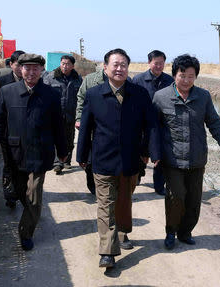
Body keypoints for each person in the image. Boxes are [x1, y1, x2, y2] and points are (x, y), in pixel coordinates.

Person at [77, 48, 160, 268]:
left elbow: (150, 126)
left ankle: (122, 233)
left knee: (124, 202)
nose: (119, 68)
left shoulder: (139, 94)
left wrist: (151, 153)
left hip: (131, 160)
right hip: (102, 159)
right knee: (105, 204)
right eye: (115, 64)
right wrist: (82, 155)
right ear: (105, 68)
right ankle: (107, 252)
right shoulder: (94, 95)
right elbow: (85, 129)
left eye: (123, 64)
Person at [0, 53, 67, 251]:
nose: (31, 72)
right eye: (27, 68)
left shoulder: (51, 94)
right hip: (15, 153)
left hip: (41, 152)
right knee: (21, 190)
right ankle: (29, 214)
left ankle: (26, 232)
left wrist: (63, 150)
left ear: (41, 70)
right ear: (19, 70)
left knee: (34, 196)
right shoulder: (6, 92)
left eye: (35, 68)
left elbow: (59, 125)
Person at [152, 54, 220, 250]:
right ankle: (171, 231)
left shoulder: (203, 97)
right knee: (176, 196)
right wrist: (153, 154)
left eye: (191, 76)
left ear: (195, 76)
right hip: (172, 159)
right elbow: (152, 128)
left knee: (194, 199)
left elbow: (214, 123)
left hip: (197, 159)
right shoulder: (161, 97)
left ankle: (185, 231)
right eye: (182, 76)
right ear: (174, 75)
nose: (186, 80)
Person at [132, 50, 173, 195]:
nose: (159, 66)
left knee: (160, 155)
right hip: (142, 125)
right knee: (140, 153)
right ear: (149, 63)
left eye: (161, 63)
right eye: (156, 63)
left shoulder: (170, 81)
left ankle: (159, 186)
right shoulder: (138, 80)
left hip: (161, 124)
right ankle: (137, 174)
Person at [0, 50, 26, 209]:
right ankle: (10, 195)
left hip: (26, 133)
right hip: (8, 132)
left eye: (24, 65)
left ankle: (22, 191)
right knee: (9, 164)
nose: (22, 69)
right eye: (18, 65)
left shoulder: (33, 81)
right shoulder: (3, 81)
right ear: (11, 65)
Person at [43, 55, 82, 174]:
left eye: (68, 64)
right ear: (60, 64)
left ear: (72, 66)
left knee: (69, 140)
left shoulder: (77, 79)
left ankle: (66, 161)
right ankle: (57, 162)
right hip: (55, 114)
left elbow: (82, 97)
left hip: (70, 114)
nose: (65, 66)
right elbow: (43, 95)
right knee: (55, 138)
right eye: (63, 63)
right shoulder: (51, 77)